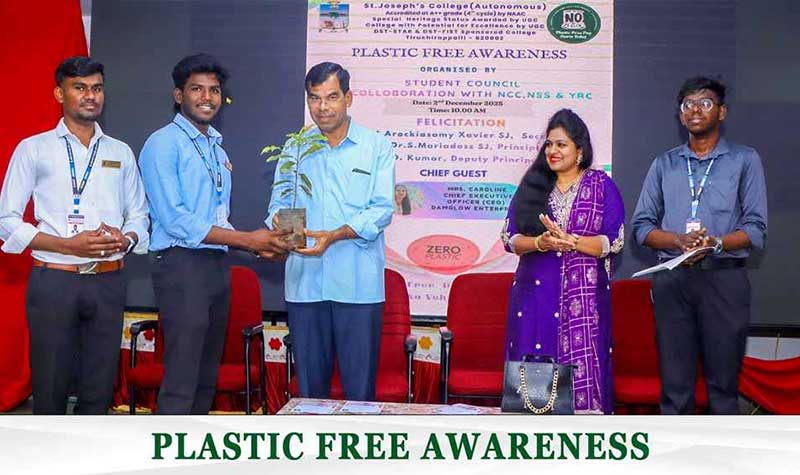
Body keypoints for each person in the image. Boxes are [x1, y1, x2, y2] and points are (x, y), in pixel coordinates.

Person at [138, 53, 290, 414]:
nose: (207, 97)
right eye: (197, 89)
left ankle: (195, 445)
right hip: (181, 265)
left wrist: (260, 246)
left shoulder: (216, 149)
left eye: (214, 90)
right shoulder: (163, 143)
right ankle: (167, 447)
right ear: (179, 95)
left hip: (216, 267)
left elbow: (218, 217)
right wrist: (247, 241)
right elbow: (175, 220)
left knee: (206, 376)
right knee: (182, 378)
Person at [0, 56, 149, 414]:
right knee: (50, 383)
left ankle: (89, 448)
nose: (90, 96)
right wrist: (67, 245)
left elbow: (139, 215)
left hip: (108, 280)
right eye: (79, 88)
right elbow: (6, 220)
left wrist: (126, 238)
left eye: (97, 88)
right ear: (59, 93)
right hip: (55, 279)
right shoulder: (34, 148)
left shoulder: (120, 152)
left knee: (99, 386)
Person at [631, 76, 767, 414]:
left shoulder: (744, 160)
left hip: (724, 280)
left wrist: (716, 243)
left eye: (705, 103)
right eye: (687, 104)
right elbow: (641, 227)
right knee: (675, 386)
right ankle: (675, 447)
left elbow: (755, 229)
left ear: (721, 112)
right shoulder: (664, 164)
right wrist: (678, 240)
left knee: (723, 387)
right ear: (680, 115)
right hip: (673, 280)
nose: (695, 110)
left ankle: (723, 448)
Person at [267, 62, 395, 401]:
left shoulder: (376, 147)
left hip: (358, 287)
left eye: (332, 97)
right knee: (310, 393)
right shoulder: (295, 148)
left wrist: (334, 235)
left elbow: (381, 209)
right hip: (305, 284)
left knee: (359, 394)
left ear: (348, 98)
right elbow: (279, 203)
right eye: (314, 98)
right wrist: (283, 230)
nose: (322, 107)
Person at [501, 109, 624, 414]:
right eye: (549, 144)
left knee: (586, 376)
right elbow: (510, 238)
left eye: (561, 144)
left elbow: (612, 242)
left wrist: (573, 241)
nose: (552, 151)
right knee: (532, 388)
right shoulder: (533, 186)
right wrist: (540, 243)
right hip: (535, 297)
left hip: (585, 303)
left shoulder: (601, 186)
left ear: (580, 150)